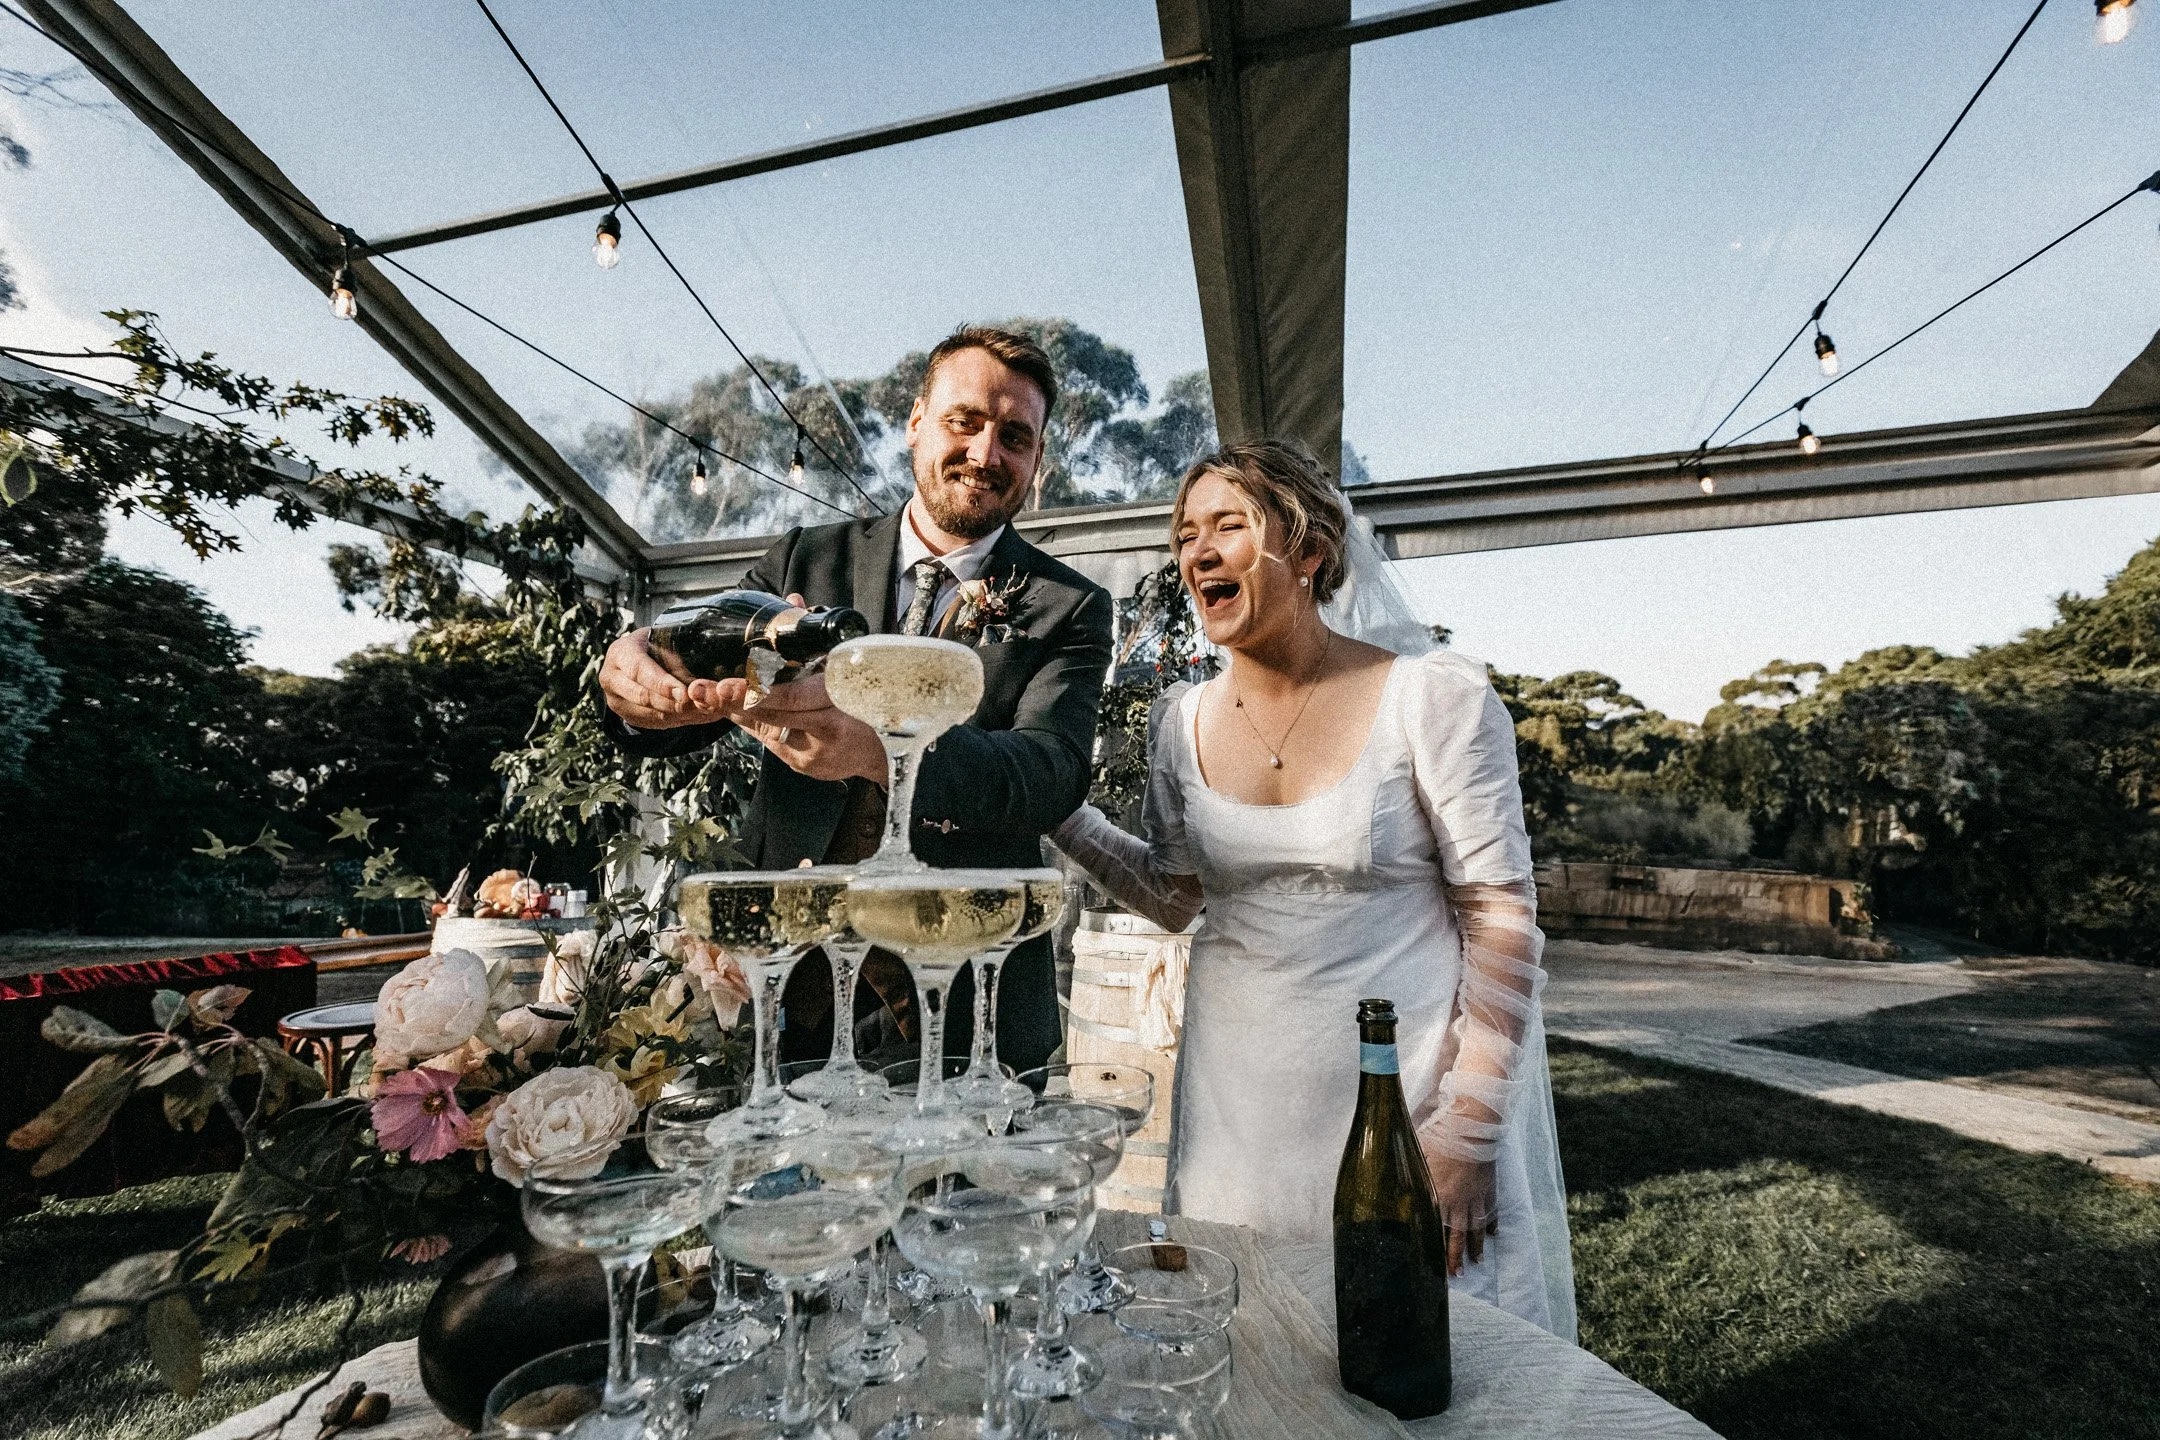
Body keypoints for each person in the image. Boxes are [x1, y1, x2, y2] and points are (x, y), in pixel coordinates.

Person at [1051, 439, 1576, 1339]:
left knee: (1423, 1359)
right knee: (1250, 1347)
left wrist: (1470, 1130)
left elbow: (1500, 919)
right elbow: (1177, 896)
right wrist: (1056, 812)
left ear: (1309, 550)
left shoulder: (1431, 699)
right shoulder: (1179, 724)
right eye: (1185, 536)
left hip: (1404, 1108)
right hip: (1236, 1119)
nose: (1197, 552)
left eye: (1230, 526)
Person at [597, 326, 1113, 1077]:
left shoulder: (1068, 605)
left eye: (1015, 437)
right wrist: (632, 682)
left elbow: (1052, 772)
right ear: (916, 423)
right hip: (785, 987)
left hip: (971, 1003)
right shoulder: (806, 560)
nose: (986, 453)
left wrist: (878, 750)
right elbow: (698, 682)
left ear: (1036, 459)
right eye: (964, 422)